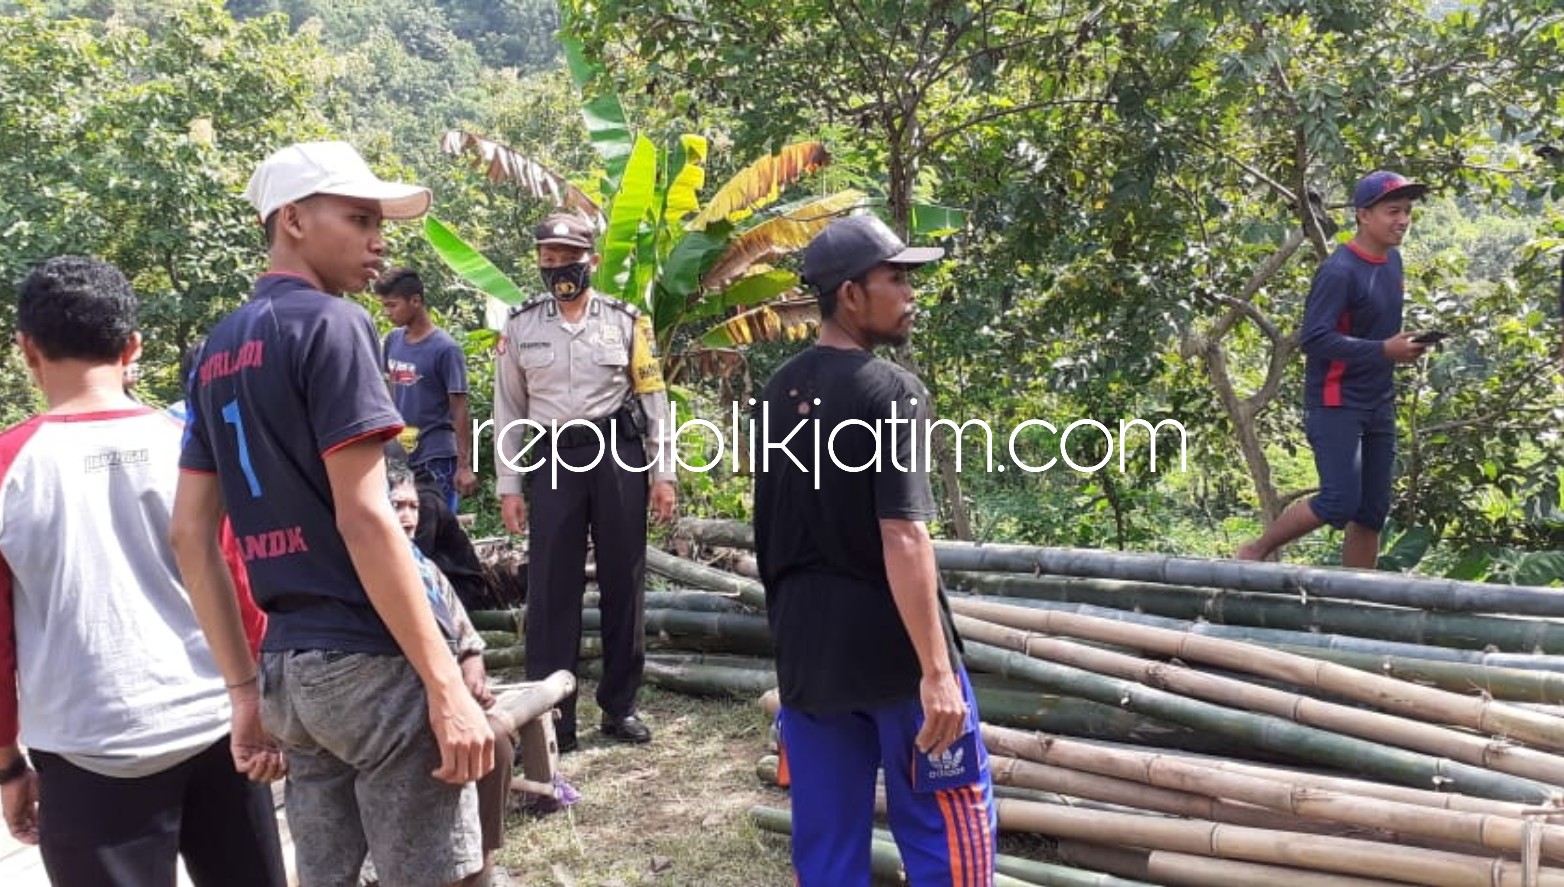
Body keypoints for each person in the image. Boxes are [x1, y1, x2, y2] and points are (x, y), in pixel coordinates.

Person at [170, 140, 494, 887]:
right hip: (370, 662)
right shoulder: (335, 325)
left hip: (290, 674)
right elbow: (368, 517)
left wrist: (244, 690)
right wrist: (445, 683)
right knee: (443, 876)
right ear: (293, 220)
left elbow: (191, 534)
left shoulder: (215, 350)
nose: (378, 240)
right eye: (357, 217)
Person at [0, 256, 286, 887]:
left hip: (86, 748)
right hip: (220, 727)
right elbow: (243, 584)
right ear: (133, 346)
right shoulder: (187, 441)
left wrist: (6, 765)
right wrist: (257, 698)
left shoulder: (9, 465)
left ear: (26, 349)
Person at [751, 215, 996, 886]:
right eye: (897, 277)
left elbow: (770, 530)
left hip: (811, 656)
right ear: (850, 293)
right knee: (949, 838)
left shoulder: (775, 394)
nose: (910, 292)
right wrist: (938, 673)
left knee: (826, 852)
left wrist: (792, 650)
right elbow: (903, 533)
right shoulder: (890, 391)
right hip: (896, 658)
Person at [493, 211, 677, 752]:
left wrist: (663, 472)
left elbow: (654, 399)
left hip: (618, 453)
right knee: (551, 587)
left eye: (568, 259)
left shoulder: (626, 322)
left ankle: (620, 708)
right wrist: (509, 483)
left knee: (625, 580)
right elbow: (508, 408)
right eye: (548, 260)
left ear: (591, 261)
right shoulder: (521, 324)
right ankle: (554, 718)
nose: (558, 269)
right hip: (554, 458)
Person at [1237, 170, 1431, 568]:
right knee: (1339, 499)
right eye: (1393, 210)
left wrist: (1401, 347)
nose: (1403, 220)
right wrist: (1383, 350)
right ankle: (1255, 551)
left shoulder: (1392, 262)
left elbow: (1373, 330)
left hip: (1380, 400)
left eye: (1408, 211)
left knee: (1372, 511)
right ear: (1364, 215)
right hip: (1336, 400)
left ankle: (1354, 604)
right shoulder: (1339, 270)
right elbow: (1315, 339)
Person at [386, 457, 514, 887]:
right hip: (398, 698)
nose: (406, 517)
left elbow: (465, 631)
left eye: (412, 507)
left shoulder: (424, 565)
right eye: (395, 505)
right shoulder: (364, 568)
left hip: (448, 694)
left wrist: (472, 663)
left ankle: (480, 864)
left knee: (495, 740)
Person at [377, 267, 478, 512]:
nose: (387, 313)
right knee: (404, 530)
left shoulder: (445, 348)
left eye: (392, 305)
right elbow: (390, 392)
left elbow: (459, 408)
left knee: (437, 530)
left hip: (436, 456)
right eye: (385, 306)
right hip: (400, 455)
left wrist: (464, 465)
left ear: (415, 301)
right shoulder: (392, 341)